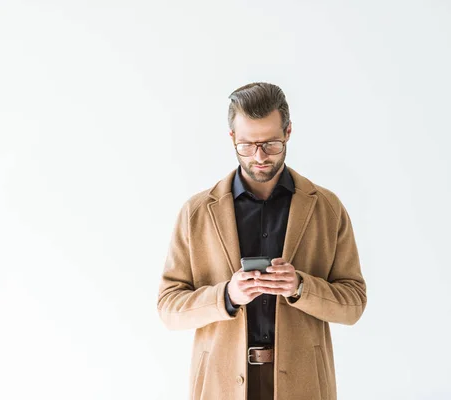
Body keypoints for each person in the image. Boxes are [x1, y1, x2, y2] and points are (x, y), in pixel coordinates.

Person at [157, 82, 367, 400]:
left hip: (304, 383)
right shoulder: (196, 213)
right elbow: (169, 308)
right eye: (247, 145)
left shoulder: (326, 207)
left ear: (288, 133)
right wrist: (227, 295)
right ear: (232, 138)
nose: (259, 157)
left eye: (271, 144)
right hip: (220, 384)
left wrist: (300, 287)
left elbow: (353, 304)